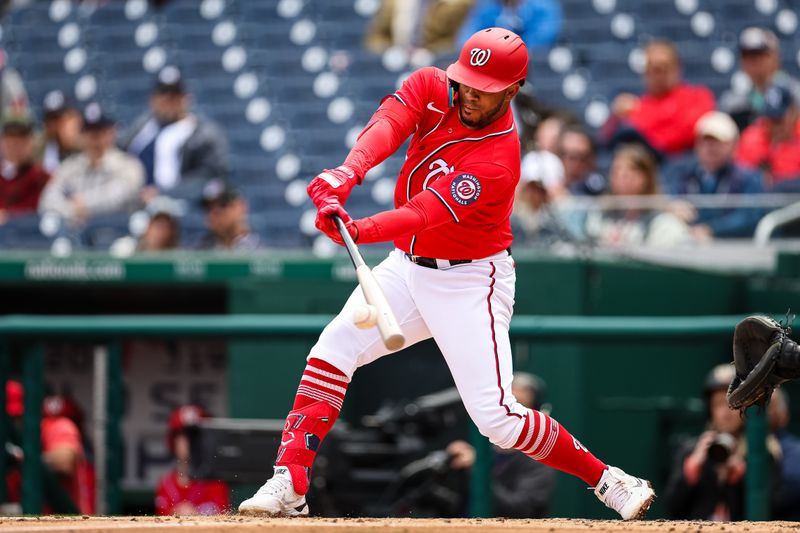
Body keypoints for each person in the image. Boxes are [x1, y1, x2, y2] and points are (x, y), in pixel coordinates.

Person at [237, 27, 655, 520]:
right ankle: (291, 480)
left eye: (486, 88)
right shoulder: (434, 85)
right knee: (332, 350)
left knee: (497, 420)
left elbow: (424, 213)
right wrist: (344, 175)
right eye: (468, 81)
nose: (471, 94)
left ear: (513, 90)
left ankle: (609, 480)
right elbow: (388, 125)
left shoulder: (499, 159)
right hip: (405, 268)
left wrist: (357, 226)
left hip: (470, 281)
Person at [664, 364, 781, 521]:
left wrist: (739, 477)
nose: (725, 413)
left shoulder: (763, 452)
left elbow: (773, 509)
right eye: (718, 404)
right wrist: (693, 468)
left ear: (746, 406)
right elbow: (672, 508)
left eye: (732, 404)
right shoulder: (692, 450)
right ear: (710, 409)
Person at [446, 372, 556, 518]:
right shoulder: (483, 451)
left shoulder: (539, 461)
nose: (509, 416)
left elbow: (521, 510)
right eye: (504, 408)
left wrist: (478, 469)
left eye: (519, 408)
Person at [119, 66, 228, 205]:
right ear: (152, 99)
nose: (168, 101)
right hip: (132, 203)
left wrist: (165, 193)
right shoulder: (142, 126)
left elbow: (209, 177)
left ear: (186, 98)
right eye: (163, 94)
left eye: (174, 95)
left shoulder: (204, 133)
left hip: (175, 208)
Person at [601, 40, 715, 159]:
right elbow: (605, 141)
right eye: (653, 69)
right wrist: (614, 118)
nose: (658, 75)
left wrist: (647, 129)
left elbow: (690, 133)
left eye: (664, 67)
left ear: (677, 68)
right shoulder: (637, 106)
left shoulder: (698, 97)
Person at [38, 102, 145, 226]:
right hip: (76, 235)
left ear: (112, 132)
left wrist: (84, 202)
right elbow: (47, 200)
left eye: (100, 132)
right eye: (89, 132)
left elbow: (120, 195)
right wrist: (71, 210)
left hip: (116, 233)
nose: (94, 138)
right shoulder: (70, 166)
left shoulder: (128, 165)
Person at [662, 111, 764, 240]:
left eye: (718, 142)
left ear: (733, 145)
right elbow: (664, 196)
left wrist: (712, 230)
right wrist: (671, 206)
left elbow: (750, 216)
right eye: (705, 141)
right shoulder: (680, 173)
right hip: (686, 244)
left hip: (733, 247)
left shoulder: (749, 178)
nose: (710, 147)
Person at [4, 381, 94, 515]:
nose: (16, 423)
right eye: (11, 418)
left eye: (19, 416)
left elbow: (65, 461)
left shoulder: (55, 427)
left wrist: (19, 459)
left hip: (66, 526)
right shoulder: (6, 441)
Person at [584, 144, 689, 247]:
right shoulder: (600, 214)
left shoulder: (663, 222)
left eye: (632, 169)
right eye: (617, 170)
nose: (623, 175)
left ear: (647, 177)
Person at [155, 405, 230, 516]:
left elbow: (222, 516)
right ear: (174, 440)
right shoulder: (166, 483)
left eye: (195, 436)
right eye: (184, 435)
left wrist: (196, 513)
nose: (190, 442)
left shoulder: (215, 481)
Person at [720, 27, 800, 131]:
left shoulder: (795, 93)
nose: (753, 61)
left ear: (776, 57)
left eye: (759, 54)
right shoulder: (733, 102)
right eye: (746, 56)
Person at [735, 85, 800, 189]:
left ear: (794, 113)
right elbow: (739, 177)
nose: (773, 126)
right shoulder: (751, 139)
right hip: (758, 201)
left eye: (778, 120)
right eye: (770, 118)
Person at [364, 0, 475, 56]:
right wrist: (388, 51)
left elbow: (454, 42)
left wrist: (429, 53)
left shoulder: (458, 4)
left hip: (436, 64)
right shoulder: (392, 2)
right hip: (395, 61)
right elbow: (376, 37)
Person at [0, 113, 50, 224]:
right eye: (10, 139)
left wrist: (8, 216)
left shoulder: (42, 178)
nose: (15, 146)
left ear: (31, 142)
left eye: (21, 140)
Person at [457, 0, 562, 51]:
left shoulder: (543, 6)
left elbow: (543, 37)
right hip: (490, 63)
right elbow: (467, 39)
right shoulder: (487, 6)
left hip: (533, 68)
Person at [195, 179, 261, 251]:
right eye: (208, 208)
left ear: (242, 206)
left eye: (223, 204)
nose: (215, 212)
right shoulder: (199, 252)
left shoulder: (265, 251)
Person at [768, 389, 800, 520]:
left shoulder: (793, 449)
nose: (761, 410)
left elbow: (789, 491)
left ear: (784, 414)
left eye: (769, 405)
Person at [36, 90, 83, 174]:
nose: (55, 126)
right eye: (50, 120)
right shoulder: (38, 149)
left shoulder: (92, 145)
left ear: (76, 119)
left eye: (61, 120)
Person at [556, 124, 606, 197]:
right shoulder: (542, 191)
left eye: (583, 158)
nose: (577, 164)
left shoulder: (601, 194)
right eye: (572, 157)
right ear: (559, 156)